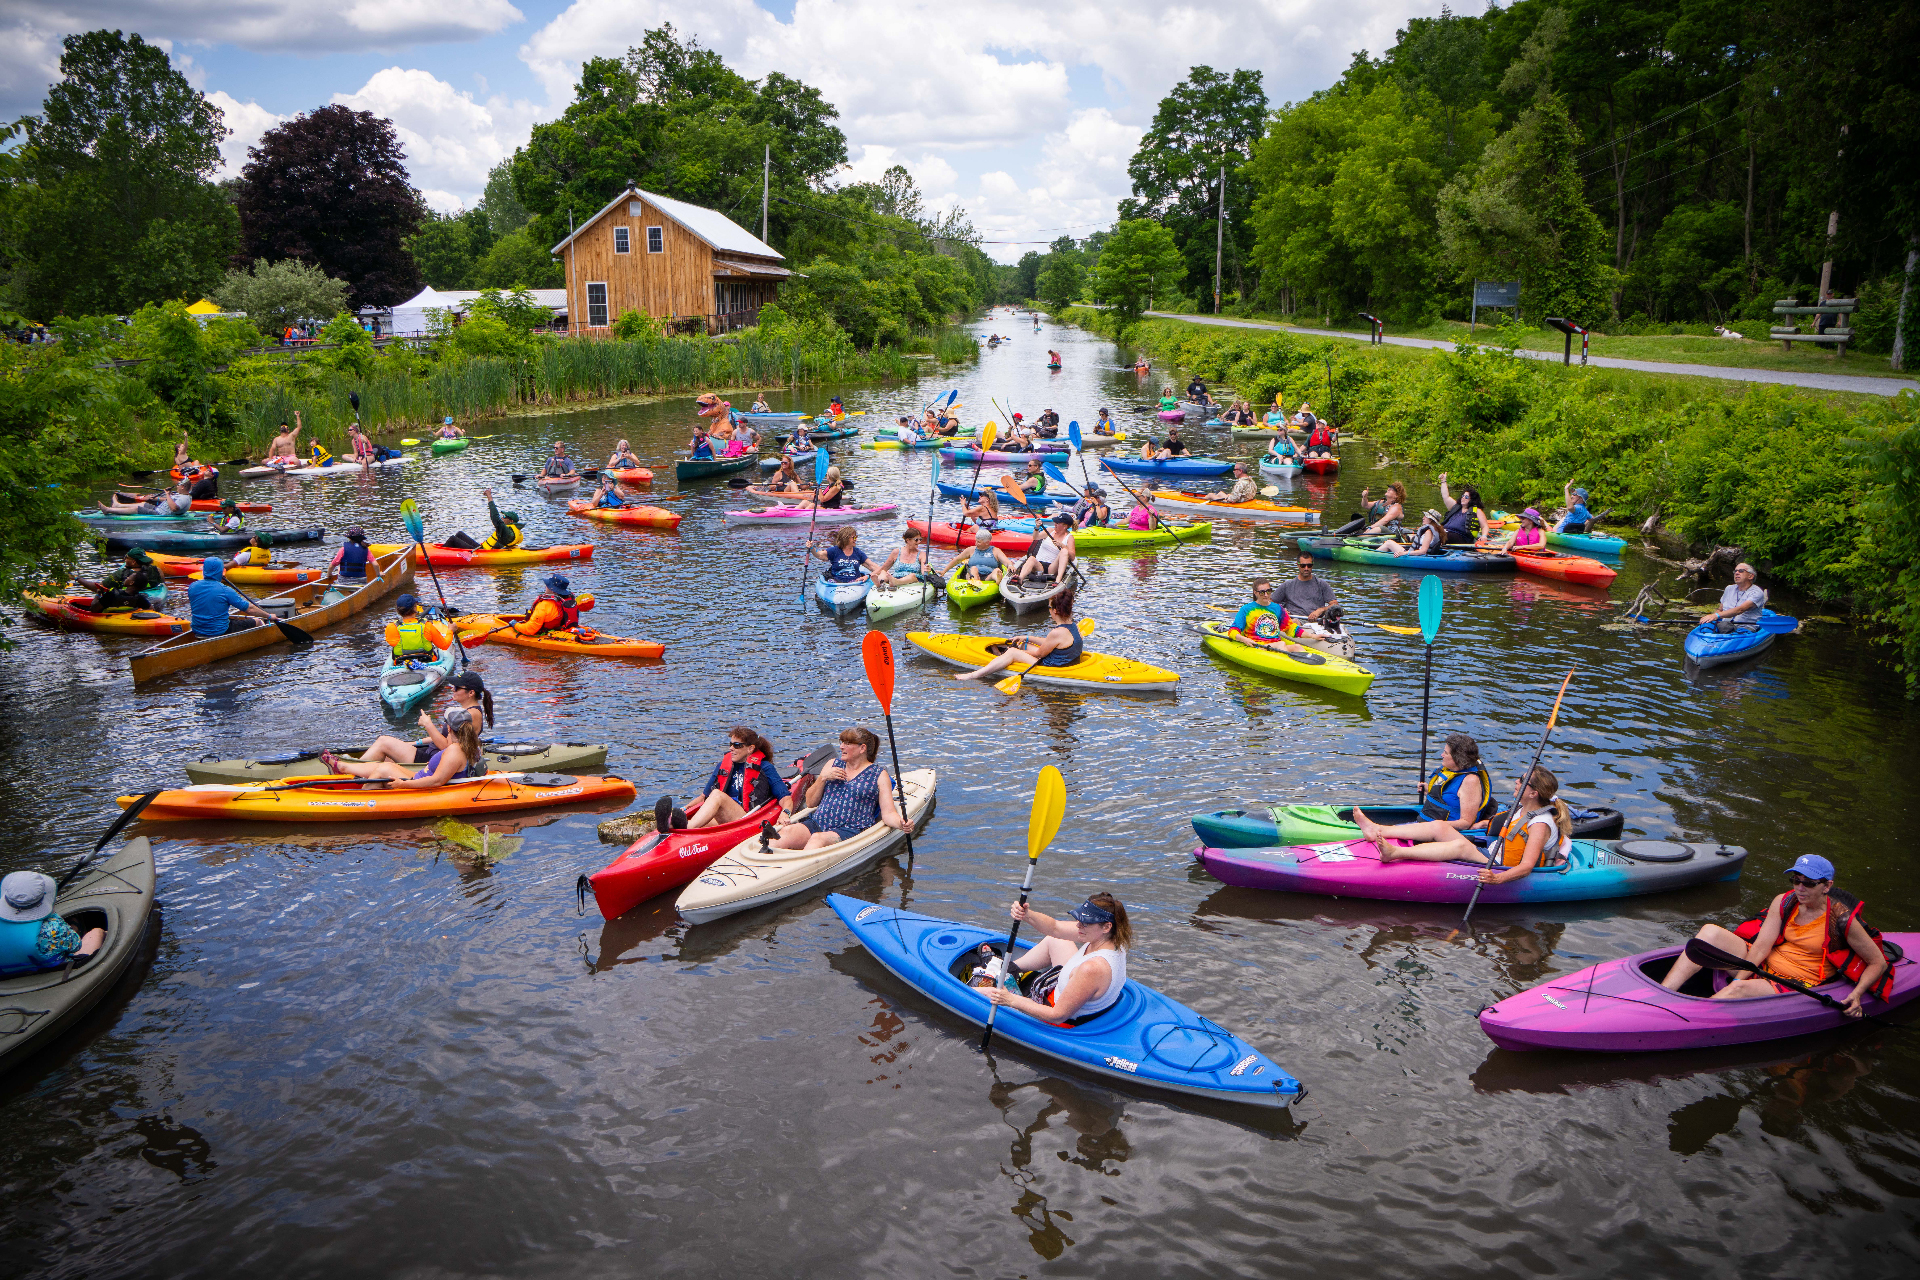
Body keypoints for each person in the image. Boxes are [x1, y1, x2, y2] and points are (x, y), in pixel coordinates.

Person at [1659, 855, 1891, 1016]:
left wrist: (1857, 995)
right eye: (1796, 880)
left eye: (1808, 883)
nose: (1800, 888)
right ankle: (1662, 997)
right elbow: (1761, 947)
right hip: (1765, 964)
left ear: (1827, 886)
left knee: (1736, 990)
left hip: (1796, 981)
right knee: (1709, 932)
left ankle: (1682, 1018)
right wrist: (1742, 976)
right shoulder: (1785, 901)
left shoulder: (1841, 920)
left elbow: (1877, 962)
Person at [1351, 765, 1570, 871]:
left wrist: (1498, 878)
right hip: (1493, 852)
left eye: (1523, 781)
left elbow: (1527, 866)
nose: (1516, 782)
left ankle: (1396, 853)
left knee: (1460, 847)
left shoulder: (1541, 824)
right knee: (1439, 827)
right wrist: (1485, 823)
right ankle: (1378, 830)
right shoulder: (1524, 807)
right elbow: (1512, 828)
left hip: (1500, 864)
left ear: (1534, 793)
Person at [976, 893, 1131, 1025]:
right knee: (1056, 940)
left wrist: (1010, 1000)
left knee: (992, 993)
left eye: (1085, 923)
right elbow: (1055, 927)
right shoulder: (1112, 938)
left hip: (1058, 1017)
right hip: (1070, 989)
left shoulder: (1092, 968)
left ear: (1106, 927)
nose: (1078, 926)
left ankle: (980, 983)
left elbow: (1057, 1016)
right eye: (1079, 919)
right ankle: (1007, 968)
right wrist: (1027, 914)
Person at [769, 726, 908, 849]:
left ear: (862, 748)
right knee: (785, 833)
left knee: (818, 839)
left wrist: (902, 824)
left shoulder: (879, 775)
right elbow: (811, 802)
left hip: (850, 830)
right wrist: (822, 779)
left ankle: (796, 873)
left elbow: (888, 814)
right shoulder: (832, 764)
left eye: (847, 743)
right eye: (841, 742)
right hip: (818, 822)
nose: (841, 747)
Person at [351, 672, 496, 768]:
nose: (452, 689)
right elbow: (443, 737)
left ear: (471, 693)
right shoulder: (464, 712)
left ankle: (351, 770)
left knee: (384, 741)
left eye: (457, 687)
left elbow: (447, 746)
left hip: (436, 758)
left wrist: (428, 724)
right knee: (387, 757)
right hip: (432, 751)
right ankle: (357, 771)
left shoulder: (472, 715)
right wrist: (415, 743)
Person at [664, 726, 796, 831]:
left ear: (750, 748)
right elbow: (703, 798)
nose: (731, 748)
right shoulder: (723, 766)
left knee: (717, 795)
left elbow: (785, 798)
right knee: (702, 812)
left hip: (747, 819)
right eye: (731, 744)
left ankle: (687, 828)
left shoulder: (765, 767)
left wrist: (786, 813)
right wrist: (685, 808)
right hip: (726, 818)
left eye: (737, 745)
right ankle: (671, 826)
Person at [324, 713, 484, 789]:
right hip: (419, 777)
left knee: (383, 769)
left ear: (448, 727)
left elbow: (437, 781)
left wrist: (404, 784)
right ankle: (342, 767)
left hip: (419, 785)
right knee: (382, 765)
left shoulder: (455, 750)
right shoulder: (472, 746)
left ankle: (359, 798)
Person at [956, 591, 1083, 680]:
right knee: (1024, 644)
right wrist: (1026, 638)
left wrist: (1016, 651)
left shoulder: (1057, 632)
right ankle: (1002, 658)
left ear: (1055, 610)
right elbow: (1051, 643)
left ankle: (974, 675)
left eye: (1049, 607)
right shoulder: (1074, 626)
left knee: (1012, 652)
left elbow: (1039, 654)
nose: (1048, 610)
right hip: (1066, 662)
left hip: (1052, 666)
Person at [0, 870, 105, 977]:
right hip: (53, 971)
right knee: (97, 932)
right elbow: (76, 946)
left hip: (9, 974)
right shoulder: (53, 926)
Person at [1413, 733, 1496, 830]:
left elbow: (1465, 823)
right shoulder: (1450, 771)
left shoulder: (1470, 781)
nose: (1442, 755)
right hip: (1424, 825)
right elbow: (1448, 801)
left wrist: (1431, 826)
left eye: (1446, 753)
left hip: (1441, 833)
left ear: (1458, 758)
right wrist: (1429, 791)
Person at [186, 558, 282, 637]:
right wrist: (269, 616)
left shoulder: (192, 586)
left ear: (204, 570)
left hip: (197, 629)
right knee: (258, 621)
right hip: (219, 631)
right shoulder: (225, 590)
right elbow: (249, 609)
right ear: (221, 571)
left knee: (227, 619)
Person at [1228, 579, 1307, 650]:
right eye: (1262, 592)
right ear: (1255, 593)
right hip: (1258, 645)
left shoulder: (1277, 608)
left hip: (1275, 644)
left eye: (1268, 591)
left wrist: (1313, 636)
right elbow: (1233, 631)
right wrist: (1244, 639)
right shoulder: (1246, 609)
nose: (1266, 595)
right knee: (1281, 644)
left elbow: (1291, 628)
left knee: (1297, 647)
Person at [80, 550, 163, 610]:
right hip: (150, 597)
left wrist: (79, 579)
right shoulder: (157, 570)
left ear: (133, 562)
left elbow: (98, 589)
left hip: (115, 605)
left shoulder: (121, 574)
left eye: (126, 558)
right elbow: (162, 585)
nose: (125, 560)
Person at [512, 574, 592, 636]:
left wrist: (515, 625)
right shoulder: (570, 600)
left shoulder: (544, 605)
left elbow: (530, 629)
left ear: (553, 590)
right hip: (564, 629)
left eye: (548, 585)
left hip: (548, 634)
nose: (546, 586)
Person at [1274, 554, 1341, 628]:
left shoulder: (1321, 584)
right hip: (1294, 620)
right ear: (1298, 565)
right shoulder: (1287, 585)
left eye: (1309, 565)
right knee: (1294, 622)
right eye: (1303, 565)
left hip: (1316, 623)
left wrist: (1321, 610)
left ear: (1312, 565)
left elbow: (1335, 605)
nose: (1306, 568)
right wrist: (1280, 610)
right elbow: (1269, 602)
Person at [384, 593, 451, 665]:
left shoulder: (391, 627)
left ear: (398, 610)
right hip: (427, 663)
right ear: (415, 608)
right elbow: (444, 646)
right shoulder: (427, 625)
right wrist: (450, 630)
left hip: (401, 664)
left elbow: (391, 642)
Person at [1012, 514, 1076, 584]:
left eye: (1057, 523)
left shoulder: (1069, 537)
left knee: (1064, 551)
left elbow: (1072, 557)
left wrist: (1062, 545)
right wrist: (1037, 527)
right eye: (1055, 522)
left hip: (1052, 568)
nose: (1055, 524)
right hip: (1039, 565)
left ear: (1065, 526)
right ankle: (1020, 578)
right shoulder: (1049, 531)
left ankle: (1058, 580)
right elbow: (1036, 537)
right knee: (1031, 558)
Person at [1706, 563, 1767, 632]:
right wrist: (1712, 617)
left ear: (1750, 576)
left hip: (1745, 627)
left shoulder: (1757, 592)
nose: (1737, 573)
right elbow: (1720, 609)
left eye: (1741, 571)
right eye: (1735, 571)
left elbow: (1740, 609)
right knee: (1708, 627)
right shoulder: (1729, 588)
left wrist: (1716, 615)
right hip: (1725, 625)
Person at [943, 527, 1012, 585]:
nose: (976, 543)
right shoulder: (970, 550)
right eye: (976, 541)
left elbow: (1006, 561)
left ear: (987, 542)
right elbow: (956, 560)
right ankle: (975, 583)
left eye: (979, 542)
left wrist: (1010, 565)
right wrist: (944, 571)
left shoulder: (995, 551)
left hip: (988, 577)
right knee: (973, 569)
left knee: (996, 570)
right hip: (973, 575)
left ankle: (998, 579)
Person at [1436, 474, 1490, 544]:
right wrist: (1443, 481)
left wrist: (1484, 536)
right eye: (1463, 496)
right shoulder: (1455, 506)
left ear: (1472, 500)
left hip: (1461, 537)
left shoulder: (1477, 511)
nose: (1463, 498)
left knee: (1444, 535)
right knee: (1430, 530)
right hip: (1446, 532)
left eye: (1466, 497)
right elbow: (1446, 496)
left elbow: (1484, 526)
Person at [1377, 510, 1449, 557]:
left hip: (1416, 557)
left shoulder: (1429, 532)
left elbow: (1423, 551)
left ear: (1431, 520)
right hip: (1416, 555)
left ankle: (1372, 555)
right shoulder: (1434, 530)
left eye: (1425, 517)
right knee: (1390, 543)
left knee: (1389, 543)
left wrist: (1405, 553)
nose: (1423, 518)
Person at [98, 482, 193, 517]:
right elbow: (168, 500)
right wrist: (156, 498)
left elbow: (174, 508)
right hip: (158, 509)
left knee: (137, 509)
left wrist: (168, 494)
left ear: (183, 487)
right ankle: (118, 505)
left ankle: (108, 510)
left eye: (178, 485)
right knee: (143, 503)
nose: (177, 486)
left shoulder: (184, 498)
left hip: (161, 514)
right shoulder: (180, 495)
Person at [1483, 507, 1548, 551]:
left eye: (1523, 518)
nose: (1521, 520)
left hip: (1537, 555)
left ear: (1531, 521)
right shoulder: (1518, 531)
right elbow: (1510, 542)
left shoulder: (1540, 531)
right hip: (1521, 554)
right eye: (1521, 518)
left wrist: (1522, 547)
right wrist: (1505, 548)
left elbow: (1541, 545)